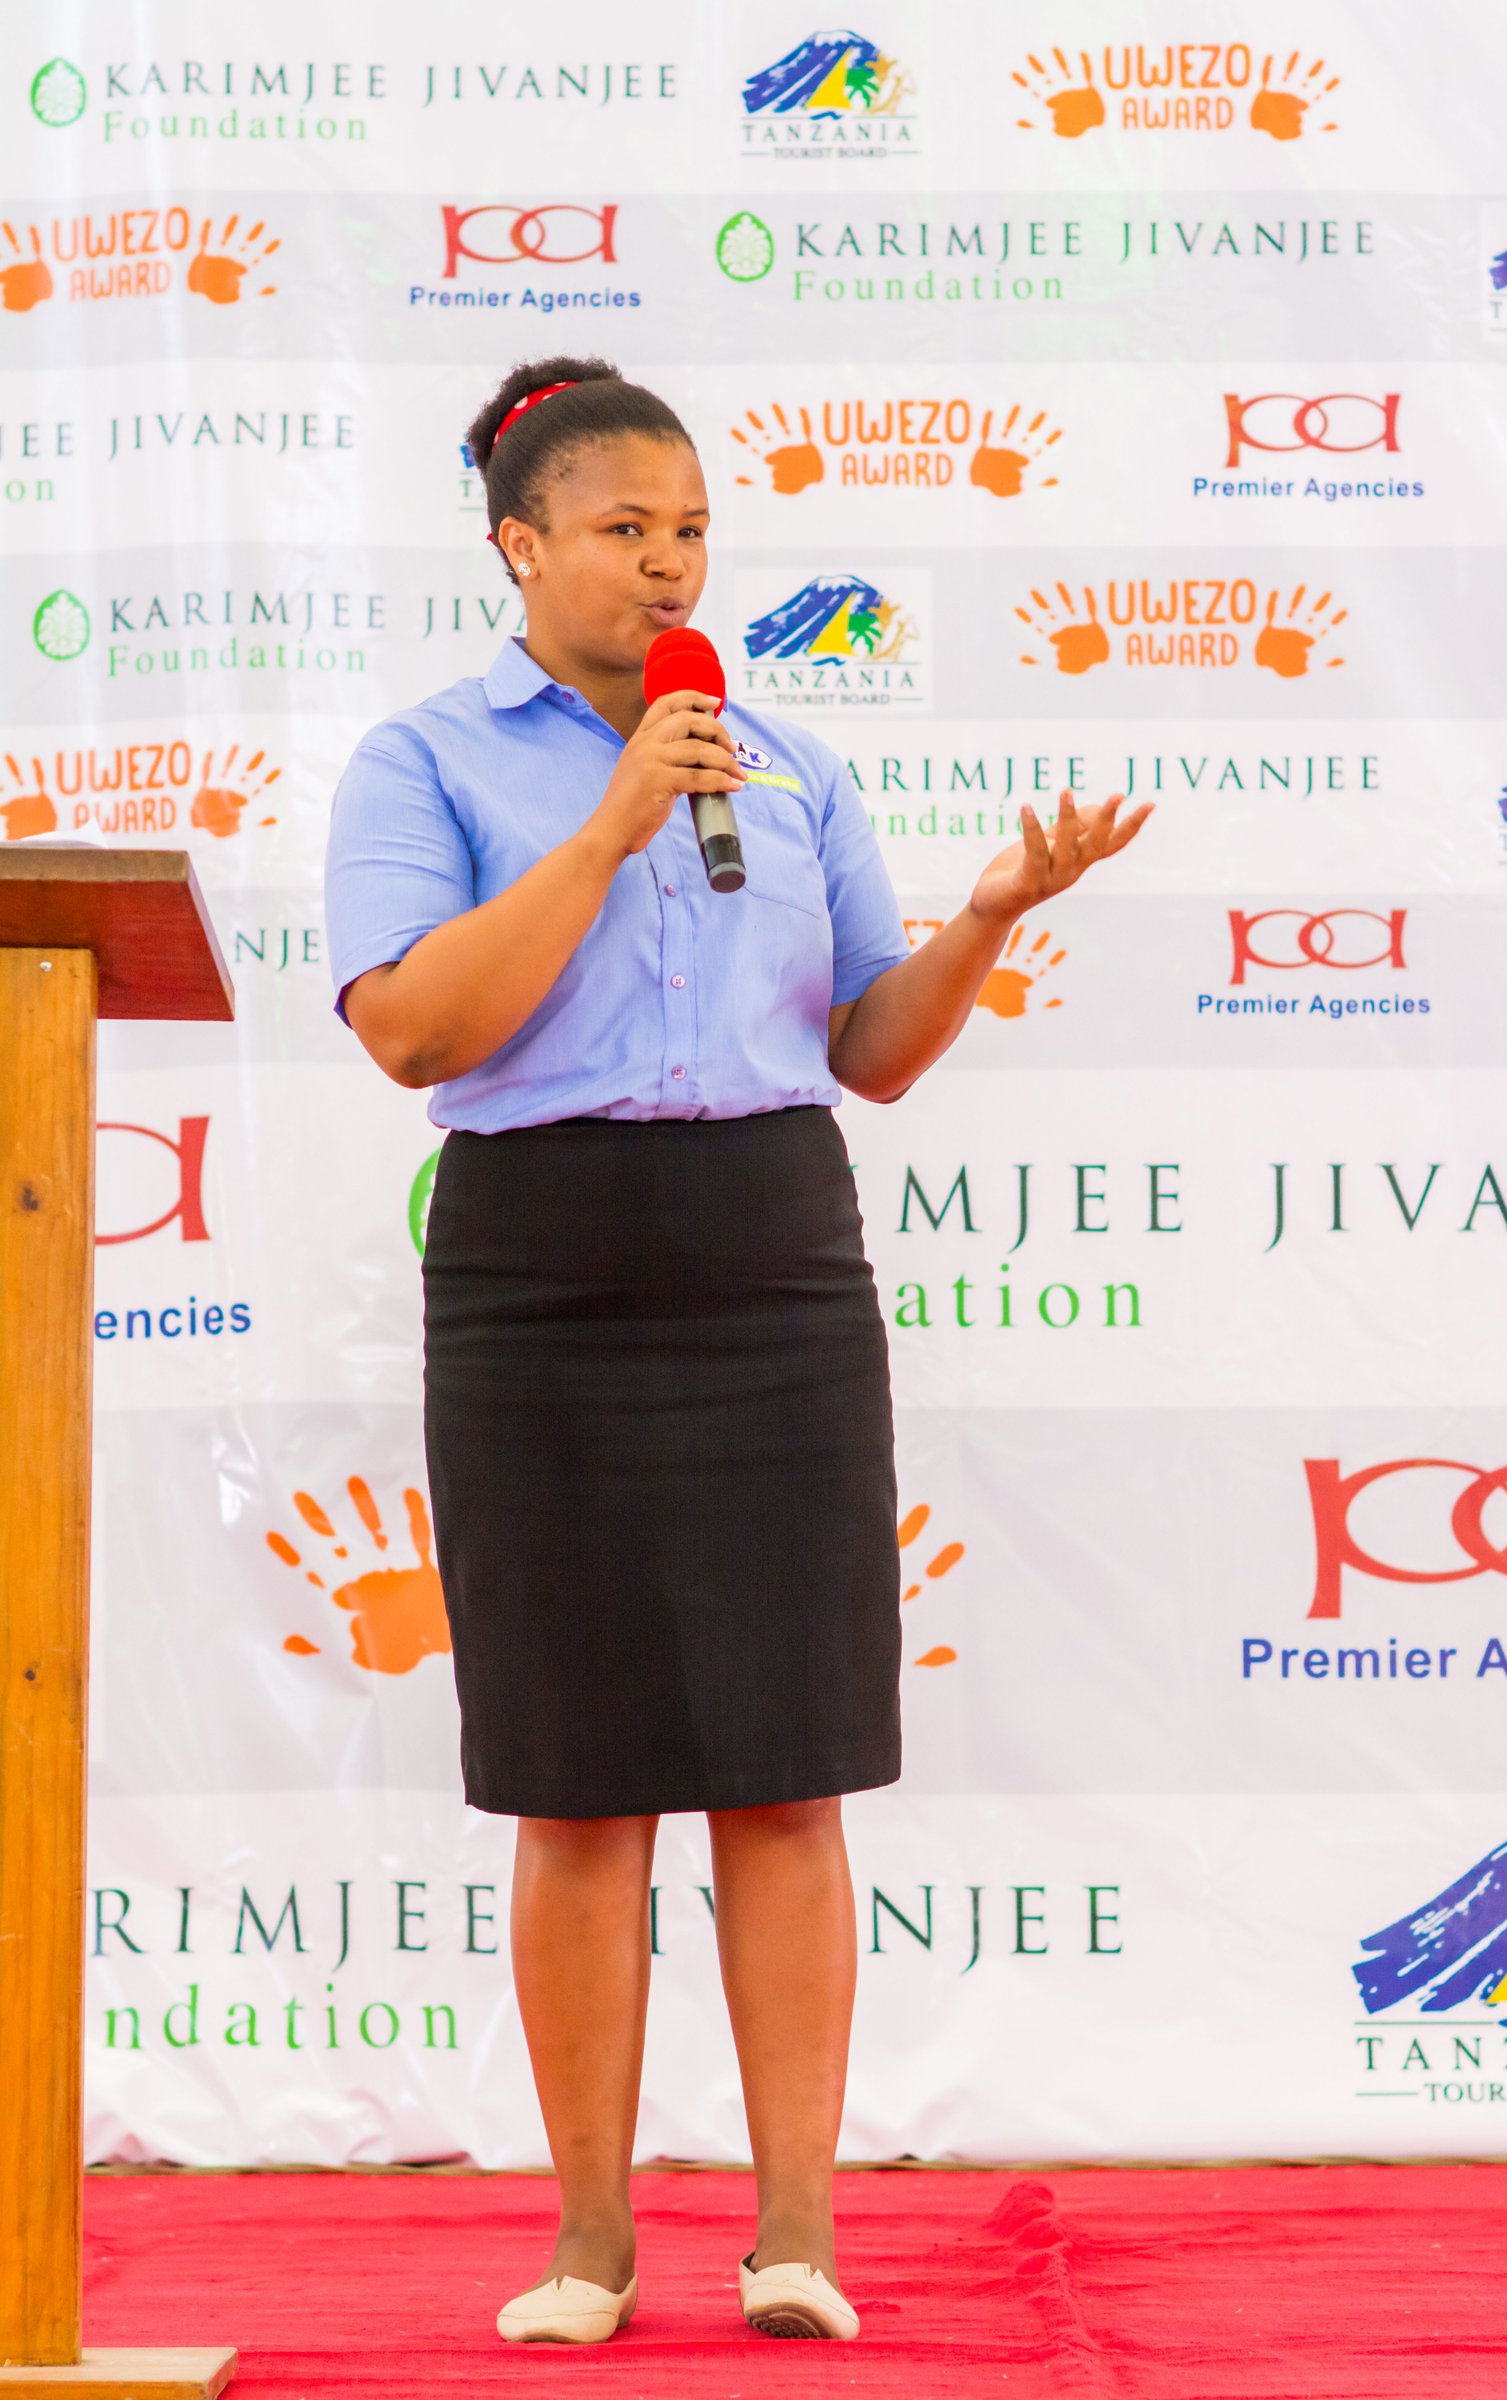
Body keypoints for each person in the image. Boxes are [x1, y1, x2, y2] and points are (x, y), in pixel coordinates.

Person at [323, 355, 1151, 2346]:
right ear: (517, 545)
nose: (666, 563)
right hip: (541, 1270)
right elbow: (417, 1030)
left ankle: (795, 2234)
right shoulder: (422, 762)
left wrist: (983, 919)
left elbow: (868, 1050)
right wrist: (608, 828)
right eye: (623, 529)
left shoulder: (784, 762)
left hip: (771, 1260)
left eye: (689, 530)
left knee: (787, 1776)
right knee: (579, 1785)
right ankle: (588, 2241)